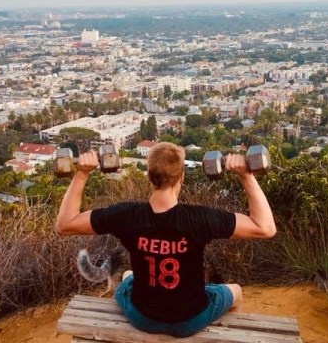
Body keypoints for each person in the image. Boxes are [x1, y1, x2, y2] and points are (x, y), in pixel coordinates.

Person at [55, 142, 276, 338]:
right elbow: (265, 228)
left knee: (127, 276)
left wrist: (82, 173)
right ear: (181, 177)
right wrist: (246, 176)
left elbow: (64, 225)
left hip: (144, 318)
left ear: (149, 176)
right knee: (235, 290)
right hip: (191, 319)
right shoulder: (199, 219)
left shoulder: (126, 216)